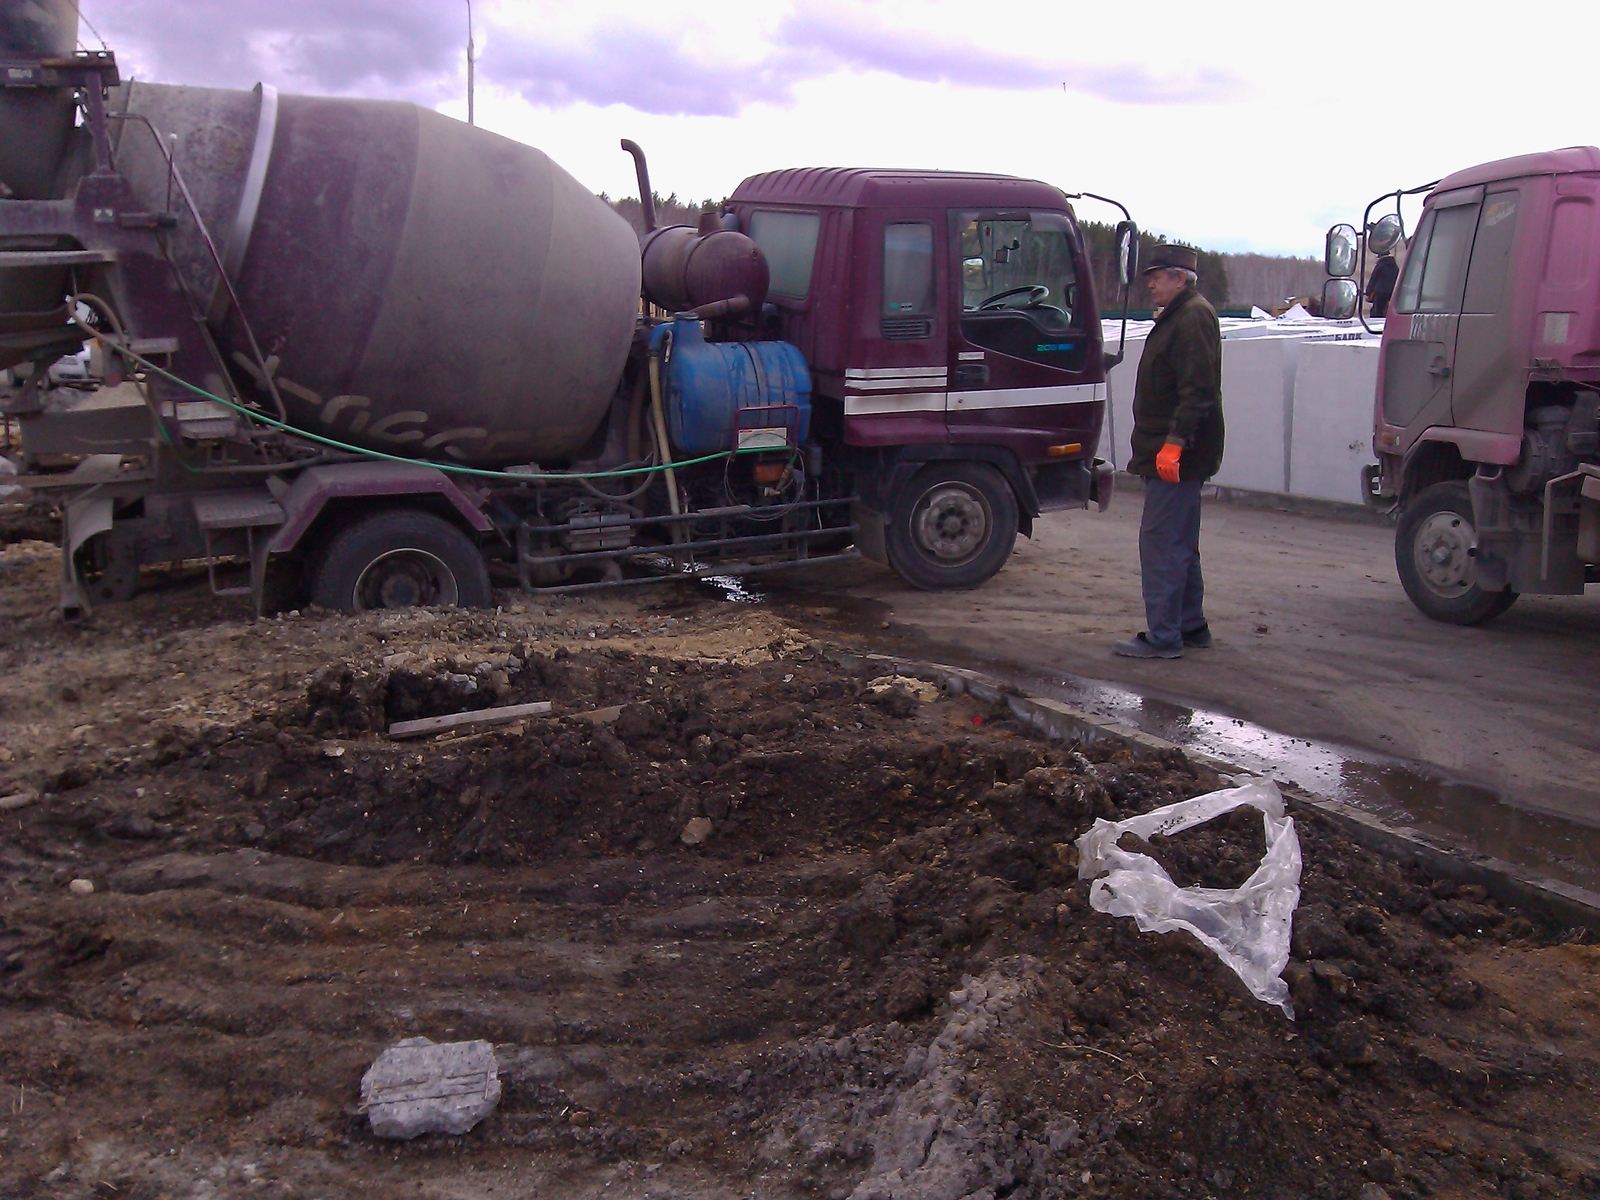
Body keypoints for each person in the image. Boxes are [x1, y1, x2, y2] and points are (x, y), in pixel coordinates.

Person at [1114, 244, 1225, 660]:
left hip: (1177, 452)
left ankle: (1164, 637)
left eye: (1157, 276)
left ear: (1181, 278)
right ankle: (1190, 627)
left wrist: (1174, 445)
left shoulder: (1192, 317)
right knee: (1180, 542)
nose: (1151, 283)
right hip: (1175, 450)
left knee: (1161, 544)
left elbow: (1197, 390)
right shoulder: (1183, 315)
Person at [1367, 252, 1398, 317]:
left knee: (1377, 311)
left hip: (1379, 292)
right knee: (1385, 309)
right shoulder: (1395, 267)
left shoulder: (1380, 265)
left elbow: (1373, 279)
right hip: (1390, 292)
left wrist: (1368, 291)